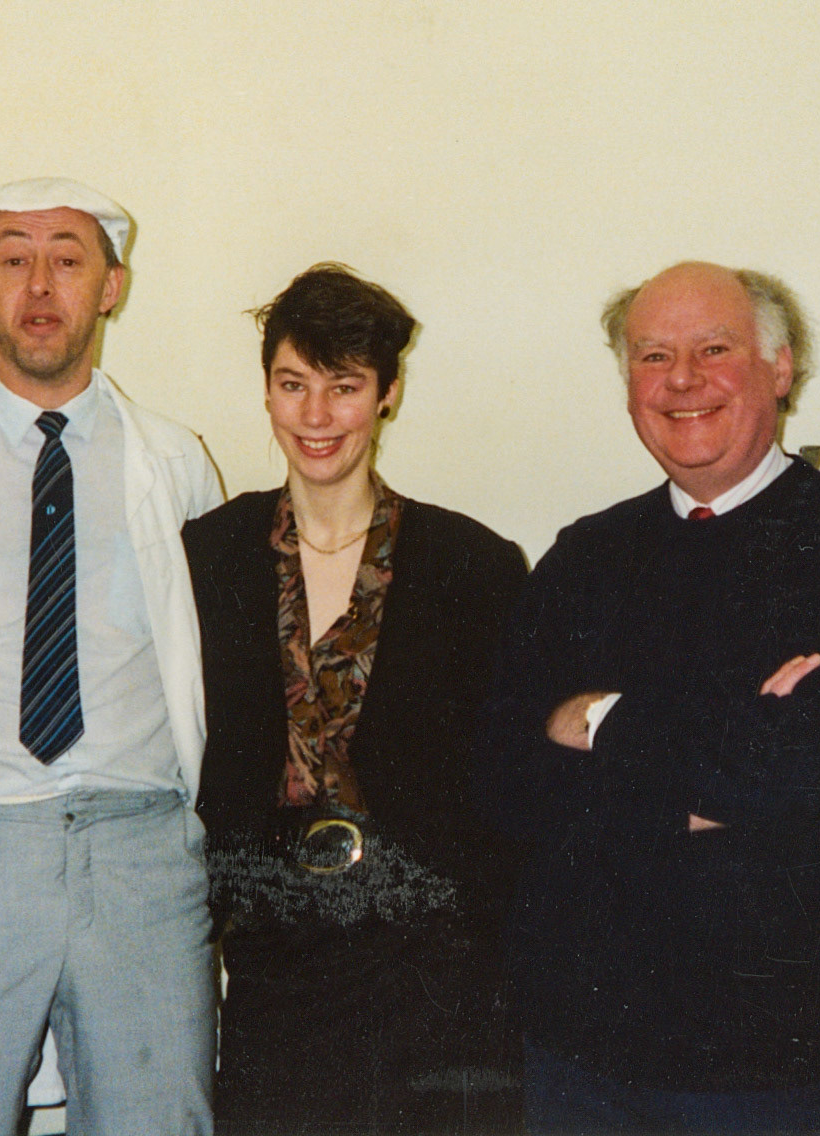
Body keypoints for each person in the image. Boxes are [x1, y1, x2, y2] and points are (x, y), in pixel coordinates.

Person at [481, 261, 820, 1135]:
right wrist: (712, 753)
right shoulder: (583, 555)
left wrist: (594, 717)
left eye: (713, 349)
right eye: (652, 357)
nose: (680, 380)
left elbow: (786, 770)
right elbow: (505, 781)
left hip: (776, 1068)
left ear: (779, 368)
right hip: (581, 1062)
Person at [182, 264, 529, 1135]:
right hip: (271, 959)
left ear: (387, 394)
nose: (315, 416)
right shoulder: (207, 555)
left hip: (430, 964)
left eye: (343, 388)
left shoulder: (471, 565)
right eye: (293, 385)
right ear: (266, 391)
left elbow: (507, 781)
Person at [0, 177, 223, 1136]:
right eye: (13, 259)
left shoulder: (175, 460)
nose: (39, 284)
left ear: (112, 286)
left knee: (154, 1119)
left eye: (68, 259)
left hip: (141, 843)